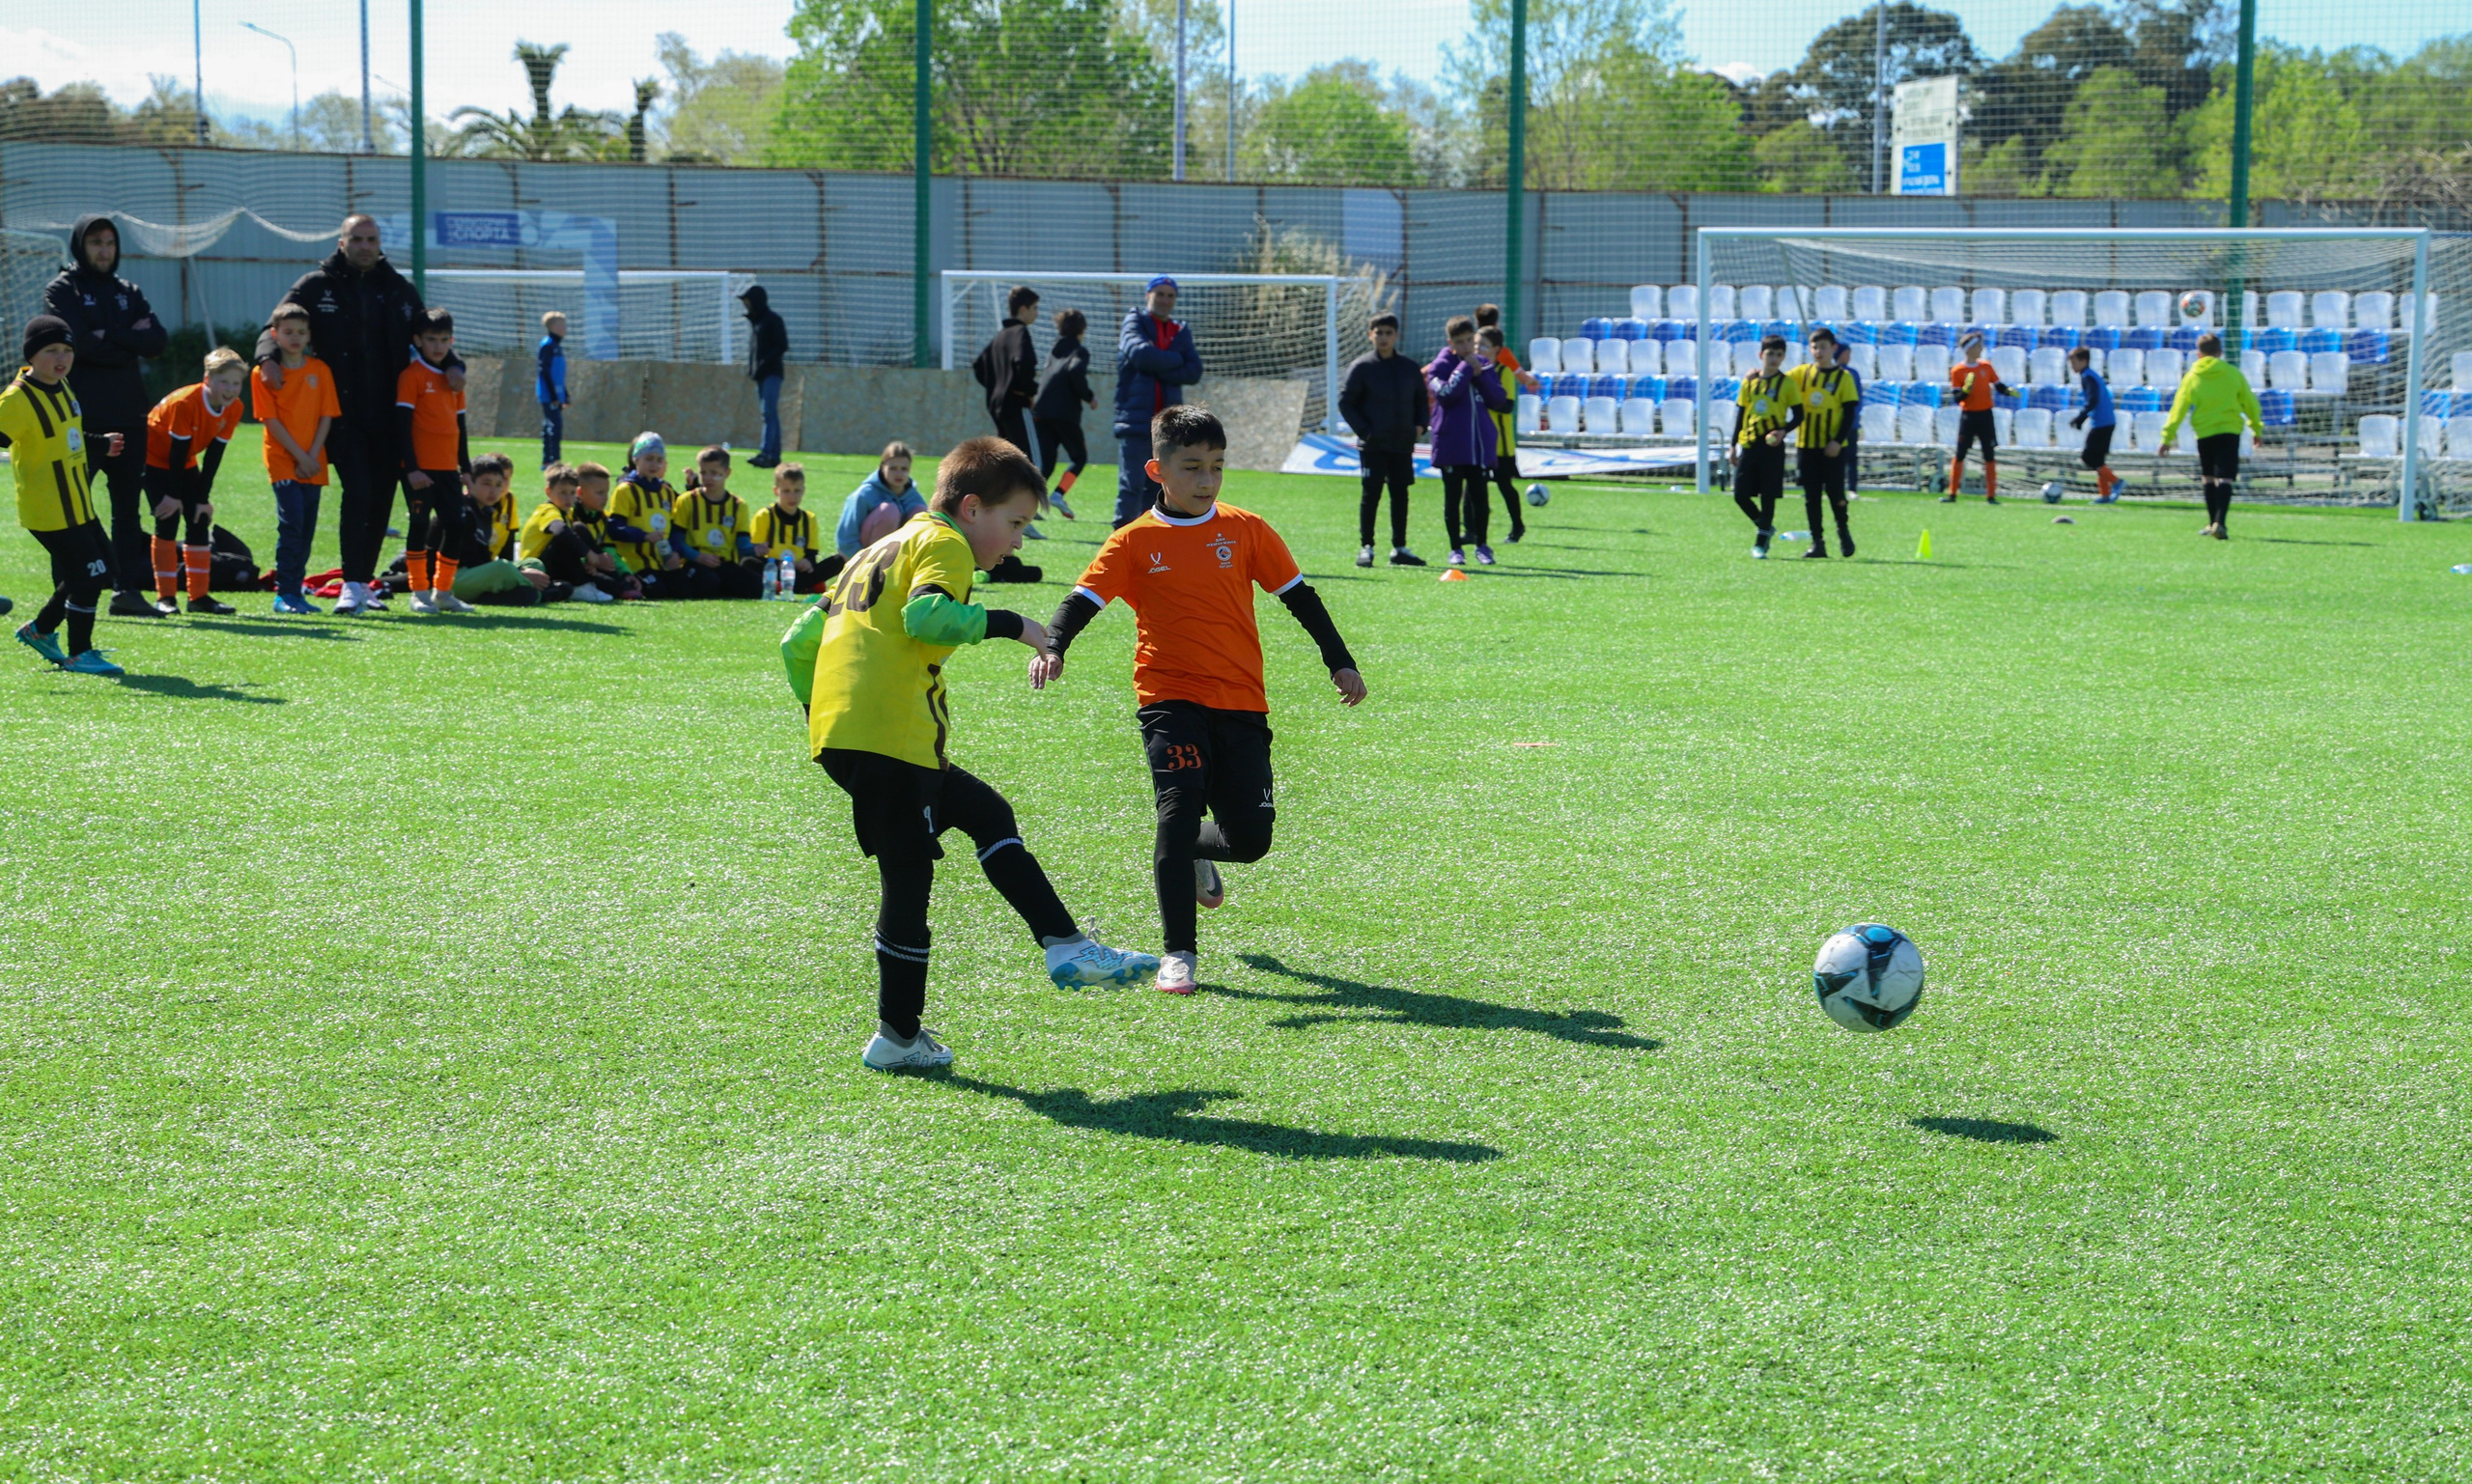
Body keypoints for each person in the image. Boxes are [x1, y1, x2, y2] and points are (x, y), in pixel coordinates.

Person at [780, 435, 1160, 1072]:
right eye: (1014, 524)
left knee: (984, 811)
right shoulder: (946, 542)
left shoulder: (876, 549)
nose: (1015, 541)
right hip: (892, 740)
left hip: (853, 737)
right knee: (908, 878)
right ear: (973, 507)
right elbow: (928, 617)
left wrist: (830, 717)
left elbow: (797, 643)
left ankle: (1063, 943)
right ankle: (897, 1037)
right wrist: (1012, 623)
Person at [1030, 405, 1365, 997]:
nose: (1207, 481)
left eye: (1216, 467)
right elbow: (1082, 599)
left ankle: (1193, 855)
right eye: (1192, 468)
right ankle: (1178, 954)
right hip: (1169, 697)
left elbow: (1301, 598)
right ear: (1157, 469)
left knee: (1252, 841)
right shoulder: (1133, 542)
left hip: (1241, 702)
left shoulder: (1247, 529)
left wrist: (1339, 660)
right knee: (1177, 814)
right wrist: (1054, 646)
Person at [258, 214, 441, 618]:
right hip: (338, 414)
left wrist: (456, 363)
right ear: (341, 243)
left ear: (380, 243)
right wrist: (266, 357)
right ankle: (350, 585)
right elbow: (273, 324)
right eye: (355, 238)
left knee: (379, 497)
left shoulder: (397, 288)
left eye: (371, 239)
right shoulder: (315, 285)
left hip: (389, 414)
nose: (364, 245)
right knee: (357, 491)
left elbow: (430, 335)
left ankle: (362, 582)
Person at [42, 215, 169, 621]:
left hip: (130, 414)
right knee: (71, 510)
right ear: (80, 245)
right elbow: (75, 342)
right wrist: (124, 337)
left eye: (110, 243)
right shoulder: (63, 288)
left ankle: (126, 591)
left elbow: (156, 341)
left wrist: (106, 336)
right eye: (95, 242)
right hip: (81, 421)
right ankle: (62, 595)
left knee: (127, 511)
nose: (103, 250)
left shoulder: (127, 291)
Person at [5, 317, 126, 676]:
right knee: (89, 575)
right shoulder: (17, 399)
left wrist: (99, 443)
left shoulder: (62, 385)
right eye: (51, 351)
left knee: (104, 571)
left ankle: (41, 630)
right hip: (47, 508)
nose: (61, 358)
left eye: (67, 350)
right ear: (32, 355)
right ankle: (80, 652)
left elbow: (65, 435)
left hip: (77, 502)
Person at [140, 348, 249, 615]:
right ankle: (165, 598)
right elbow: (176, 453)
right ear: (207, 379)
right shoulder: (186, 402)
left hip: (185, 462)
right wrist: (173, 496)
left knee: (199, 519)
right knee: (167, 520)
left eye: (236, 383)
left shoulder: (234, 407)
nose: (230, 389)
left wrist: (202, 500)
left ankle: (198, 597)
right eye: (224, 381)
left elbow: (214, 455)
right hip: (152, 460)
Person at [253, 302, 340, 615]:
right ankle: (284, 594)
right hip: (283, 459)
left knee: (306, 529)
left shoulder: (320, 371)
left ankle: (297, 592)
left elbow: (326, 416)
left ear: (309, 336)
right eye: (288, 332)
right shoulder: (262, 375)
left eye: (301, 332)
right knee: (291, 524)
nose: (295, 338)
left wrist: (312, 455)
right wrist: (300, 456)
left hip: (312, 461)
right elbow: (270, 421)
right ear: (274, 335)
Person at [391, 308, 475, 616]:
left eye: (443, 340)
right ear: (418, 340)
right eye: (431, 339)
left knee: (456, 525)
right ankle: (419, 592)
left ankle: (443, 591)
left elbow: (460, 427)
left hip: (447, 471)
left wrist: (465, 469)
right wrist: (411, 468)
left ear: (451, 340)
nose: (438, 346)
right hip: (419, 471)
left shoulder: (455, 380)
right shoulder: (412, 376)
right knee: (419, 525)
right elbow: (402, 425)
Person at [1336, 312, 1428, 568]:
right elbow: (1346, 403)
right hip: (1374, 446)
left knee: (1400, 495)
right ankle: (1367, 547)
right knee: (1371, 495)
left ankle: (1400, 548)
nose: (1384, 338)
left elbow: (1422, 399)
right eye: (1379, 333)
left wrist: (1420, 426)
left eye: (1389, 333)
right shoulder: (1362, 367)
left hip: (1402, 445)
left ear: (1396, 335)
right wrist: (1366, 431)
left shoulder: (1409, 368)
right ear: (1371, 335)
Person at [1112, 275, 1202, 527]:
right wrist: (1175, 359)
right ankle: (1120, 540)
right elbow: (1140, 355)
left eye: (1170, 295)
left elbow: (1194, 371)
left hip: (1167, 427)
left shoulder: (1181, 331)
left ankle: (1150, 539)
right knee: (1131, 485)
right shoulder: (1134, 322)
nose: (1165, 300)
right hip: (1135, 421)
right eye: (1159, 294)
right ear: (1147, 295)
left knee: (1159, 486)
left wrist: (1157, 360)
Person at [2159, 332, 2265, 541]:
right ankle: (2220, 523)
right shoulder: (2233, 373)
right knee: (2225, 477)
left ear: (2198, 354)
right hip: (2229, 431)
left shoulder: (2192, 376)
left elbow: (2178, 409)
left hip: (2204, 432)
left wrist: (2167, 437)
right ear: (2220, 352)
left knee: (2208, 476)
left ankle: (2211, 523)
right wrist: (2256, 428)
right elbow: (2250, 403)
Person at [1425, 315, 1508, 568]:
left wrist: (1479, 373)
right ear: (1450, 342)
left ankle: (1482, 545)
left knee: (1480, 499)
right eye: (1459, 342)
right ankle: (1456, 548)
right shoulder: (1440, 366)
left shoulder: (1484, 364)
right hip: (1451, 444)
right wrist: (1464, 369)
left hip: (1479, 447)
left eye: (1468, 341)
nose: (1465, 347)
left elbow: (1498, 399)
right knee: (1452, 499)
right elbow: (1446, 395)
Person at [1788, 327, 1861, 560]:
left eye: (1823, 347)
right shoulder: (1801, 373)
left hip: (1832, 447)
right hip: (1806, 444)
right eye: (1815, 347)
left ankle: (1843, 530)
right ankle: (1817, 542)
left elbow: (1850, 412)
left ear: (1833, 348)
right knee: (1811, 496)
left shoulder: (1844, 377)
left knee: (1835, 493)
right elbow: (1778, 381)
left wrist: (1838, 441)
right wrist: (1756, 374)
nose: (1819, 351)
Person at [1729, 335, 1804, 559]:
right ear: (1761, 355)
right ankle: (1765, 526)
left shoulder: (1787, 384)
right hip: (1750, 444)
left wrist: (1783, 431)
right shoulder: (1749, 382)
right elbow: (1741, 414)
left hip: (1772, 447)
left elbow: (1799, 415)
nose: (1774, 358)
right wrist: (1733, 445)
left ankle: (1761, 542)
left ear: (1783, 358)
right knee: (1740, 495)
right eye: (1770, 354)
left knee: (1768, 495)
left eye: (1779, 355)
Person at [1474, 306, 1540, 542]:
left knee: (1504, 485)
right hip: (1477, 440)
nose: (1478, 349)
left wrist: (1483, 400)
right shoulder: (1472, 368)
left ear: (1496, 350)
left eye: (1483, 346)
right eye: (1476, 345)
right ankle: (1472, 530)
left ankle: (1517, 526)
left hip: (1500, 443)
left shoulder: (1503, 370)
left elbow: (1507, 404)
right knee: (1472, 487)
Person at [669, 445, 763, 599]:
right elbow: (676, 540)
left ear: (727, 473)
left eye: (714, 473)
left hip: (724, 563)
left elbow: (743, 545)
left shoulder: (738, 505)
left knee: (755, 586)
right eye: (703, 473)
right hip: (695, 562)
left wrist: (756, 549)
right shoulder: (687, 501)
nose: (707, 478)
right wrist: (697, 556)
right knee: (708, 583)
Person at [519, 463, 622, 602]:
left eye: (572, 493)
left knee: (613, 586)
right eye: (563, 492)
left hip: (556, 568)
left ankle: (595, 581)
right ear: (549, 492)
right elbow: (560, 531)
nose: (568, 498)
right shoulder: (547, 510)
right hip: (537, 569)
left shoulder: (566, 514)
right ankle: (580, 585)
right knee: (567, 535)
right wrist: (591, 556)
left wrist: (587, 562)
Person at [1032, 307, 1095, 518]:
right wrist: (1088, 396)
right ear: (1082, 330)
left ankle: (1028, 505)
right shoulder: (1079, 351)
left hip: (1041, 411)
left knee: (1046, 463)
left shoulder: (1053, 350)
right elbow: (1075, 371)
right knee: (1079, 457)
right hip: (1065, 414)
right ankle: (1058, 494)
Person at [609, 433, 686, 599]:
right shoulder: (626, 490)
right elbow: (615, 528)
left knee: (684, 590)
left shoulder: (666, 491)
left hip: (663, 562)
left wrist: (676, 552)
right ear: (636, 459)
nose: (655, 464)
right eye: (649, 458)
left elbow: (674, 528)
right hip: (636, 563)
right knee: (657, 592)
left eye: (659, 460)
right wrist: (644, 536)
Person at [974, 285, 1042, 461]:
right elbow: (1024, 363)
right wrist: (1028, 391)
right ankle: (1034, 489)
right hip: (1016, 405)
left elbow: (979, 366)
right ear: (1023, 309)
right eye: (1035, 308)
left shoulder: (1000, 336)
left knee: (1008, 461)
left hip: (997, 406)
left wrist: (998, 386)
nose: (1037, 313)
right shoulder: (1020, 333)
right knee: (1032, 461)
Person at [752, 462, 841, 594]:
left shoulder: (809, 519)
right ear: (776, 491)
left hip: (798, 571)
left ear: (803, 490)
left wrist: (807, 562)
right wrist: (778, 563)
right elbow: (756, 553)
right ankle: (801, 586)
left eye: (797, 491)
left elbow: (811, 554)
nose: (792, 497)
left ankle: (787, 586)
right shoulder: (764, 516)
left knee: (839, 560)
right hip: (773, 569)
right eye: (786, 491)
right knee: (749, 563)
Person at [1944, 333, 2008, 504]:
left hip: (1986, 415)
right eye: (1979, 346)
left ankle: (1991, 495)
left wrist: (2008, 391)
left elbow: (1998, 385)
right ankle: (1952, 494)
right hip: (1969, 417)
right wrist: (1966, 390)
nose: (1981, 349)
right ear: (1970, 349)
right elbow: (1957, 398)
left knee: (1989, 454)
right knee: (1960, 454)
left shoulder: (1986, 366)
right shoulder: (1958, 370)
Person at [836, 442, 927, 560]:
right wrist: (859, 561)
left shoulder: (914, 496)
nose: (899, 474)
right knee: (889, 510)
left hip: (899, 556)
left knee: (921, 511)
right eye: (893, 468)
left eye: (904, 469)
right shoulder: (865, 494)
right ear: (882, 467)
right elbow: (846, 538)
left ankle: (908, 564)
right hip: (863, 557)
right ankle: (877, 564)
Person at [739, 285, 789, 468]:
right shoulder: (757, 322)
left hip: (772, 374)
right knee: (768, 414)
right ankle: (772, 455)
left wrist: (765, 363)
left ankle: (768, 453)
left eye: (748, 301)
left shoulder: (772, 320)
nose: (746, 305)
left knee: (769, 413)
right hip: (762, 374)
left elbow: (782, 345)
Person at [2066, 347, 2121, 505]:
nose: (2072, 366)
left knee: (2088, 457)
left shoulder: (2087, 377)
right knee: (2098, 459)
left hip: (2102, 422)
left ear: (2083, 361)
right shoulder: (2089, 375)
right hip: (2105, 421)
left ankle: (2116, 482)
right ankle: (2104, 495)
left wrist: (2081, 417)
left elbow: (2093, 400)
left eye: (2074, 362)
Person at [537, 311, 568, 469]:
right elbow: (544, 371)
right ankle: (552, 460)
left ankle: (548, 460)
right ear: (554, 326)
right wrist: (554, 395)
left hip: (555, 394)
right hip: (549, 395)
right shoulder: (547, 345)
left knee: (552, 426)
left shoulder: (557, 346)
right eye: (562, 324)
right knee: (554, 427)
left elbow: (558, 375)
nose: (565, 327)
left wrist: (565, 394)